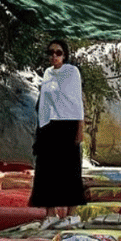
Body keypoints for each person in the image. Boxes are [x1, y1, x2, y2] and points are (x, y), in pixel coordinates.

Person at [28, 38, 85, 219]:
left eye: (58, 52)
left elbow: (77, 102)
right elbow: (44, 103)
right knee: (46, 170)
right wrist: (41, 129)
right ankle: (50, 215)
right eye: (51, 52)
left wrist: (80, 129)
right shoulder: (47, 73)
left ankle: (72, 215)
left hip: (68, 124)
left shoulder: (72, 72)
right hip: (49, 125)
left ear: (65, 55)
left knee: (71, 170)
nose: (54, 56)